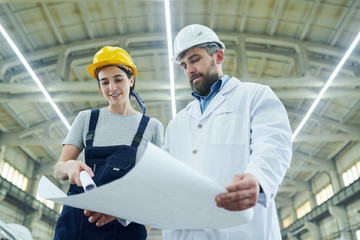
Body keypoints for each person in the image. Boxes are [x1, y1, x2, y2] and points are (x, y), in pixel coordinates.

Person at [162, 24, 292, 240]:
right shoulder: (177, 124)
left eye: (195, 60)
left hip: (242, 232)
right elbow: (161, 178)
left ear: (219, 56)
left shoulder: (255, 96)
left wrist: (258, 179)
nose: (189, 70)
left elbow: (273, 146)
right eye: (184, 65)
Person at [53, 46, 164, 240]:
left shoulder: (152, 126)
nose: (112, 88)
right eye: (104, 82)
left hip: (126, 225)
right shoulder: (87, 118)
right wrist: (69, 166)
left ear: (131, 79)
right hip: (78, 223)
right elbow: (58, 170)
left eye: (118, 79)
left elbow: (154, 187)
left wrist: (141, 231)